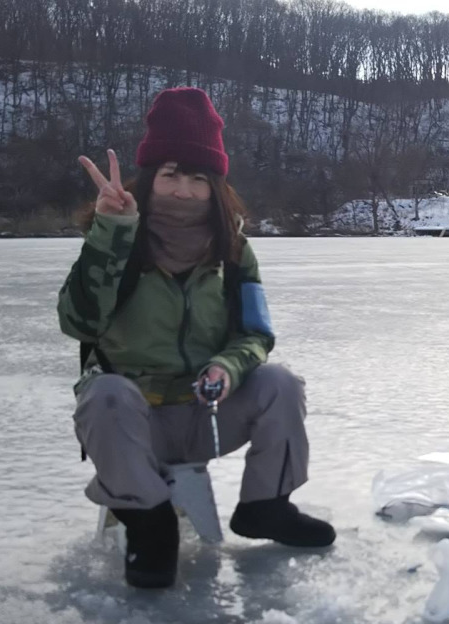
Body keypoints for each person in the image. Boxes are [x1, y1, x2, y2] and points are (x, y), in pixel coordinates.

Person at [58, 87, 335, 590]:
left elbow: (256, 334)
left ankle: (266, 506)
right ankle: (150, 523)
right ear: (149, 180)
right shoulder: (116, 241)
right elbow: (77, 322)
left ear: (215, 187)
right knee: (105, 393)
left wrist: (226, 368)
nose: (184, 190)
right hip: (132, 426)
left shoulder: (234, 252)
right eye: (170, 175)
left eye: (197, 179)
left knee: (280, 383)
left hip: (206, 416)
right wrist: (111, 233)